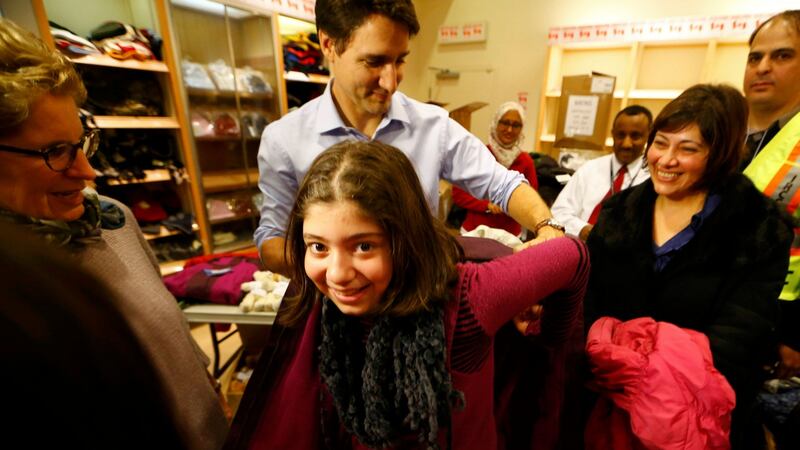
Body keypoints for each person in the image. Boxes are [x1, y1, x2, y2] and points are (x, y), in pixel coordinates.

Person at [229, 140, 588, 449]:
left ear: (406, 240)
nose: (337, 274)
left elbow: (574, 256)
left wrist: (547, 338)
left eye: (364, 246)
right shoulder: (323, 304)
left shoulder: (469, 297)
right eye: (318, 247)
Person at [0, 18, 227, 449]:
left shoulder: (110, 219)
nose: (87, 173)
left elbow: (167, 328)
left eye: (82, 142)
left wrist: (204, 381)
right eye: (55, 153)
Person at [255, 0, 562, 277]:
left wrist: (546, 226)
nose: (390, 81)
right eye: (374, 62)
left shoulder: (432, 127)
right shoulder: (284, 140)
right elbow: (272, 239)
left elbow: (502, 184)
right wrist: (336, 269)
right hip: (330, 311)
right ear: (328, 44)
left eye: (400, 60)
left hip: (417, 309)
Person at [585, 84, 793, 449]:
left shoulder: (758, 228)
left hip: (695, 413)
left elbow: (738, 336)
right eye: (661, 143)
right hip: (610, 403)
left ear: (720, 155)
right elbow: (592, 305)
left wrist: (648, 374)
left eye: (688, 149)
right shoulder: (619, 214)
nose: (665, 160)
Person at [0, 224, 185, 449]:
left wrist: (206, 377)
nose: (81, 186)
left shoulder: (115, 221)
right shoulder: (16, 271)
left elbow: (171, 317)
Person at [741, 10, 800, 381]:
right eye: (755, 57)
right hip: (732, 315)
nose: (763, 67)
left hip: (782, 325)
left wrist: (795, 334)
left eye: (782, 55)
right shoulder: (737, 132)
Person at [551, 105, 652, 240]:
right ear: (613, 133)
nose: (626, 144)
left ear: (649, 136)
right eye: (621, 135)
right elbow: (558, 212)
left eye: (635, 136)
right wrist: (583, 229)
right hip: (579, 248)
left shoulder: (652, 178)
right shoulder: (590, 169)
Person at [450, 101, 538, 238]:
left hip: (510, 237)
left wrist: (510, 205)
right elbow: (458, 195)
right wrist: (486, 205)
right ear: (496, 123)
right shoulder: (479, 154)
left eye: (516, 125)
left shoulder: (526, 161)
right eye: (505, 123)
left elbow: (531, 199)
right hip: (474, 233)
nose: (509, 129)